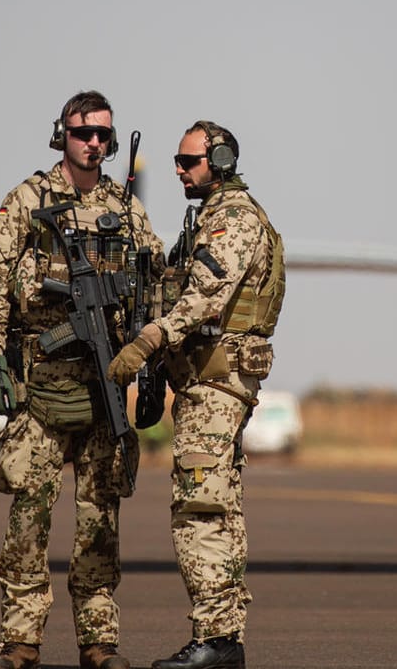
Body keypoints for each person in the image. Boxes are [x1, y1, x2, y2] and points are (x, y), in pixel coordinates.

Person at [0, 91, 164, 669]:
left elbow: (154, 284)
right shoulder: (29, 199)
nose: (96, 144)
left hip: (103, 386)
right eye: (85, 133)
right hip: (41, 387)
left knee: (100, 521)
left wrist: (153, 367)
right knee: (28, 518)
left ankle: (99, 641)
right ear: (63, 134)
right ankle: (20, 642)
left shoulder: (125, 209)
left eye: (105, 135)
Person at [109, 120, 284, 669]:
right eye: (178, 162)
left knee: (200, 507)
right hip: (206, 380)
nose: (179, 171)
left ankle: (215, 638)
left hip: (217, 381)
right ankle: (223, 638)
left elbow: (207, 296)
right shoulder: (207, 218)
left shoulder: (233, 219)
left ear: (223, 160)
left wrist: (149, 340)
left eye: (189, 162)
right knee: (219, 505)